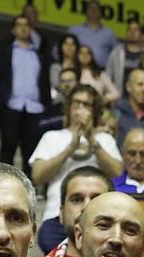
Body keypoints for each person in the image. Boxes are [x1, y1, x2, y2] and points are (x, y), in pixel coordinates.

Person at [30, 85, 121, 228]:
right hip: (57, 216)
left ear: (94, 110)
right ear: (69, 107)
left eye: (86, 105)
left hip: (98, 217)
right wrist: (70, 149)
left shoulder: (105, 139)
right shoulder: (52, 137)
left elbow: (118, 172)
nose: (80, 108)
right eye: (76, 103)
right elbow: (38, 176)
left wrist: (91, 139)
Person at [0, 12, 46, 169]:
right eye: (19, 25)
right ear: (13, 30)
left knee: (31, 151)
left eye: (26, 25)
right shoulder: (5, 52)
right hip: (11, 105)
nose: (23, 29)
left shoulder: (39, 55)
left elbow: (44, 82)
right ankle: (3, 183)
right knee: (8, 147)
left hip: (34, 108)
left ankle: (30, 187)